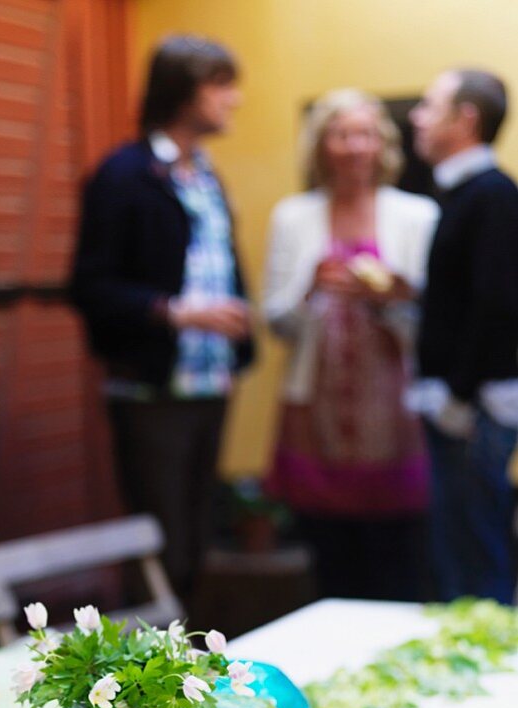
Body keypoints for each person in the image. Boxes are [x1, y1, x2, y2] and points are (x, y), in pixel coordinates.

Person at [71, 36, 254, 601]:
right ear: (183, 92)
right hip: (152, 388)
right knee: (160, 542)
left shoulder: (205, 173)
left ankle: (193, 674)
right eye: (221, 85)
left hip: (211, 380)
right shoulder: (124, 173)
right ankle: (149, 676)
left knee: (198, 536)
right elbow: (90, 286)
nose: (235, 99)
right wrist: (179, 313)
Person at [263, 89, 439, 600]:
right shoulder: (293, 216)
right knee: (328, 547)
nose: (354, 146)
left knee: (399, 549)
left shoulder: (416, 215)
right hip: (317, 406)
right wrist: (310, 290)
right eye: (341, 134)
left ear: (380, 144)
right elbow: (276, 320)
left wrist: (393, 297)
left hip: (395, 410)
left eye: (364, 134)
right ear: (322, 146)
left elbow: (436, 320)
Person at [409, 70, 518, 604]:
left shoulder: (491, 194)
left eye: (430, 105)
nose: (417, 116)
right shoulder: (464, 192)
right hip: (464, 400)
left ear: (466, 118)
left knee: (477, 558)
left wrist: (457, 393)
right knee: (459, 551)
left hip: (474, 407)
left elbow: (497, 304)